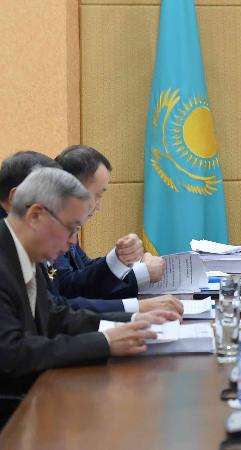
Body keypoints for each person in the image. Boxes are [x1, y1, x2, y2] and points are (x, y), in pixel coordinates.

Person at [0, 167, 180, 425]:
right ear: (36, 216)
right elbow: (11, 354)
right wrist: (103, 342)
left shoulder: (25, 252)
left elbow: (55, 317)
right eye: (71, 228)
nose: (74, 242)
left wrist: (132, 320)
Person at [52, 145, 180, 315]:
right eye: (98, 194)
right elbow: (67, 289)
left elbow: (85, 268)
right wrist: (141, 274)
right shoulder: (52, 228)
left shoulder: (65, 225)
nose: (98, 206)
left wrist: (123, 260)